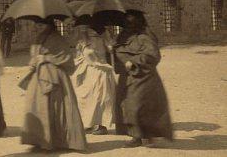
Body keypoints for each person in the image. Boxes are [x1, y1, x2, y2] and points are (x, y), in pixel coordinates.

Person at [20, 17, 87, 152]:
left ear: (49, 25)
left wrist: (46, 58)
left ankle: (57, 142)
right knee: (38, 107)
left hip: (56, 78)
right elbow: (34, 57)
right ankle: (40, 141)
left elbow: (66, 57)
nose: (38, 27)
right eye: (37, 25)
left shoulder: (58, 39)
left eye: (42, 25)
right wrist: (34, 61)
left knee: (55, 108)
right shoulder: (37, 39)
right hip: (38, 78)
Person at [113, 10, 173, 147]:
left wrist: (134, 61)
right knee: (127, 106)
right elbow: (118, 53)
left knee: (140, 106)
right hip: (126, 77)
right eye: (126, 23)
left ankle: (148, 136)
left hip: (144, 78)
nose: (128, 25)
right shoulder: (122, 36)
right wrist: (111, 51)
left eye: (131, 22)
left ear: (137, 22)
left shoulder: (145, 36)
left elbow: (153, 55)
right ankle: (136, 136)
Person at [72, 15, 116, 135]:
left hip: (101, 70)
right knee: (85, 97)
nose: (84, 28)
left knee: (100, 98)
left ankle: (101, 125)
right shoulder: (83, 38)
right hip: (87, 70)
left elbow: (110, 48)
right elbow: (78, 54)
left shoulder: (103, 34)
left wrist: (110, 47)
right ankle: (88, 123)